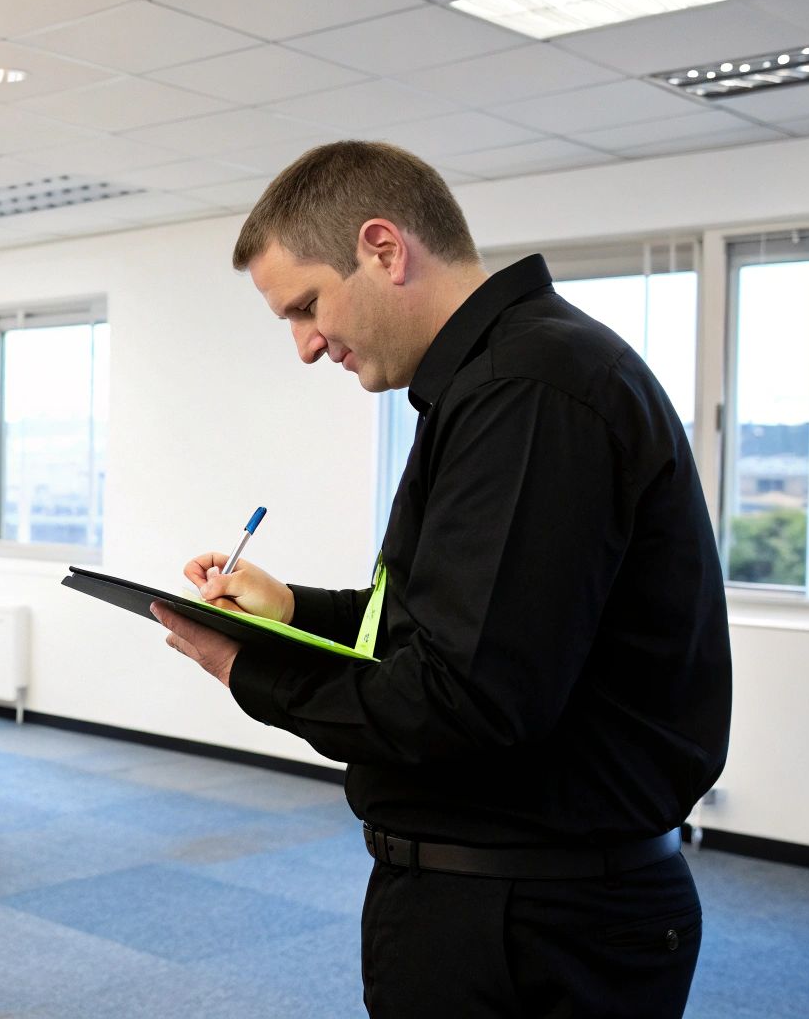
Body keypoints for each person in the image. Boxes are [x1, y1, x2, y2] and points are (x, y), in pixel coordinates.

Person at [150, 141, 731, 1018]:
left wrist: (250, 669)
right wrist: (293, 608)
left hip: (532, 925)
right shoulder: (486, 381)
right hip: (506, 904)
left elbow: (465, 699)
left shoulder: (529, 387)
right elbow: (441, 626)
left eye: (307, 306)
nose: (308, 346)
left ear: (384, 249)